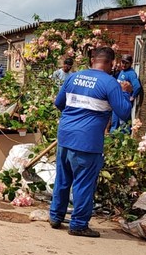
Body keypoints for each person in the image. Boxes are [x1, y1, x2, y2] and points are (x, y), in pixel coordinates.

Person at [49, 47, 134, 238]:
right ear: (111, 64)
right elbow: (124, 112)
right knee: (83, 183)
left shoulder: (73, 77)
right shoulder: (110, 83)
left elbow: (59, 103)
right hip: (87, 142)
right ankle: (78, 225)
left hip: (65, 136)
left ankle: (56, 216)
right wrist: (126, 93)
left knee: (63, 179)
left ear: (92, 60)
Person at [110, 54, 142, 133]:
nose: (124, 64)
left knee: (124, 126)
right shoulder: (122, 71)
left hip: (124, 103)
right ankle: (112, 143)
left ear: (131, 63)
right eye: (122, 62)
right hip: (118, 102)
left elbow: (137, 86)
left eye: (126, 63)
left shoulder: (131, 73)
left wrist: (132, 96)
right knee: (114, 124)